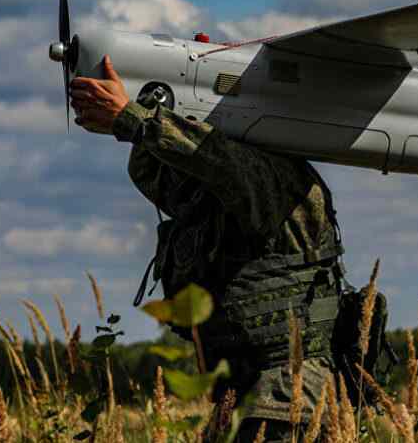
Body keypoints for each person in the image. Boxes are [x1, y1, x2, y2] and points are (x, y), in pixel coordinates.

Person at [70, 56, 344, 441]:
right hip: (249, 397)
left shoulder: (277, 180)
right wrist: (142, 110)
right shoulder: (227, 201)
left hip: (289, 398)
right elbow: (165, 179)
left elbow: (220, 163)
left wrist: (135, 120)